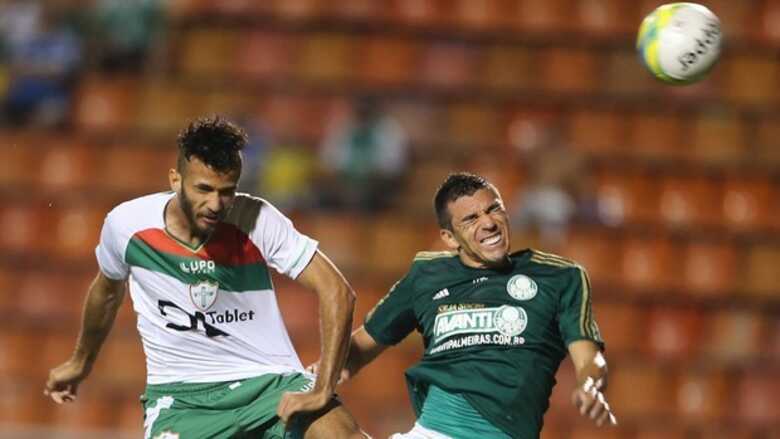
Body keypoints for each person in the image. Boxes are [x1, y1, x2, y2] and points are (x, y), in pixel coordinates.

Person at [45, 116, 367, 439]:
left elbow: (337, 291)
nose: (215, 204)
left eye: (227, 192)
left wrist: (323, 388)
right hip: (182, 399)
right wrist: (80, 361)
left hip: (270, 384)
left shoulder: (256, 219)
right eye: (204, 189)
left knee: (341, 434)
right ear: (175, 179)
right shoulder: (127, 226)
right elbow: (107, 292)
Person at [311, 172, 616, 438]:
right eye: (471, 219)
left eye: (494, 209)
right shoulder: (427, 275)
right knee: (310, 417)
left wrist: (590, 386)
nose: (488, 223)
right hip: (430, 432)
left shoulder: (559, 276)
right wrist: (325, 369)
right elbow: (362, 346)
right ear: (449, 237)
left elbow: (590, 358)